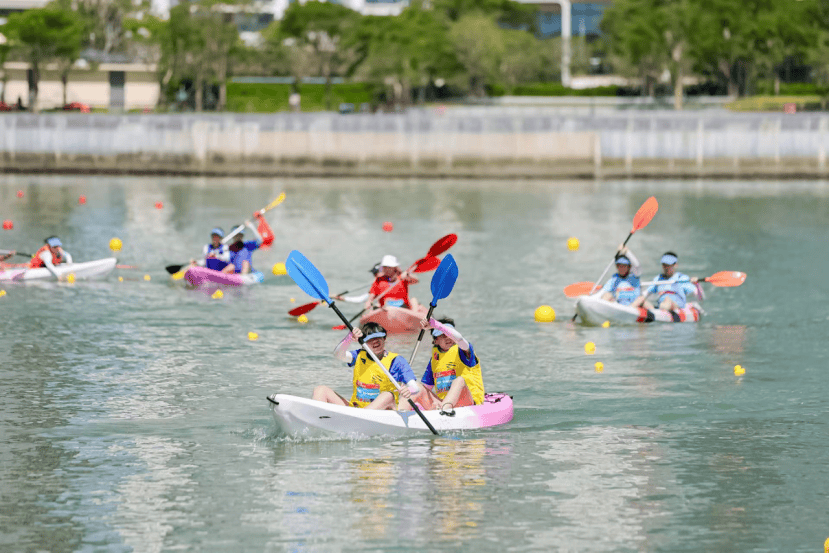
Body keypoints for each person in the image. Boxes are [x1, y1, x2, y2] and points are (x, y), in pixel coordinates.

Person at [312, 322, 420, 410]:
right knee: (321, 390)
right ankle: (316, 419)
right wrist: (350, 337)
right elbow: (338, 354)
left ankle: (359, 418)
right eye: (370, 339)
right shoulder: (359, 355)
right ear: (362, 343)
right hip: (356, 409)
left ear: (384, 339)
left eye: (379, 337)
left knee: (388, 395)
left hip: (384, 413)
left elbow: (415, 387)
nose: (376, 341)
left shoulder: (397, 361)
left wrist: (408, 390)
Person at [399, 317, 485, 412]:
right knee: (416, 386)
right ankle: (401, 413)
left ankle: (444, 411)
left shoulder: (463, 350)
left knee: (459, 380)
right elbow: (425, 388)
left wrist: (437, 325)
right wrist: (408, 390)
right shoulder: (434, 360)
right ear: (436, 341)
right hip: (443, 403)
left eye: (449, 334)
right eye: (443, 335)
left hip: (467, 402)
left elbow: (459, 339)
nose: (448, 337)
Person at [632, 251, 700, 312]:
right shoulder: (658, 279)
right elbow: (645, 294)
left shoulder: (682, 278)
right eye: (664, 265)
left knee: (667, 300)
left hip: (675, 306)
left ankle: (661, 309)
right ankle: (628, 310)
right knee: (641, 300)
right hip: (661, 307)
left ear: (675, 265)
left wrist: (697, 284)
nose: (666, 268)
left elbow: (699, 296)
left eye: (668, 265)